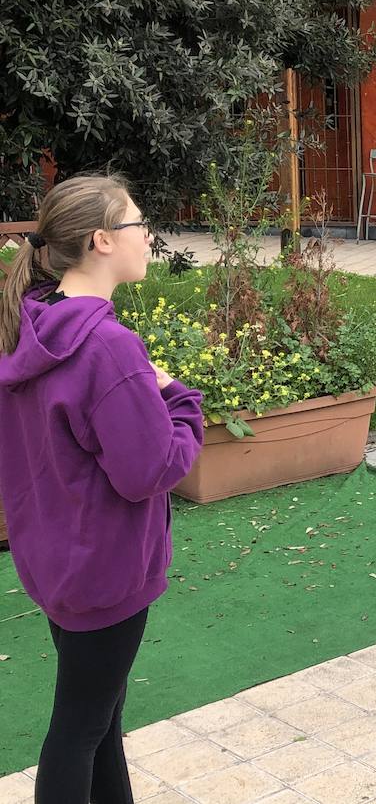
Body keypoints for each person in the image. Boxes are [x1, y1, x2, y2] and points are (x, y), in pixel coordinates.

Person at [0, 174, 204, 804]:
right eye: (138, 224)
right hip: (105, 572)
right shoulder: (108, 348)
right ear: (101, 240)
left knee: (100, 721)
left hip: (56, 561)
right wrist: (181, 400)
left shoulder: (29, 326)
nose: (149, 237)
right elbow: (148, 470)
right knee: (79, 730)